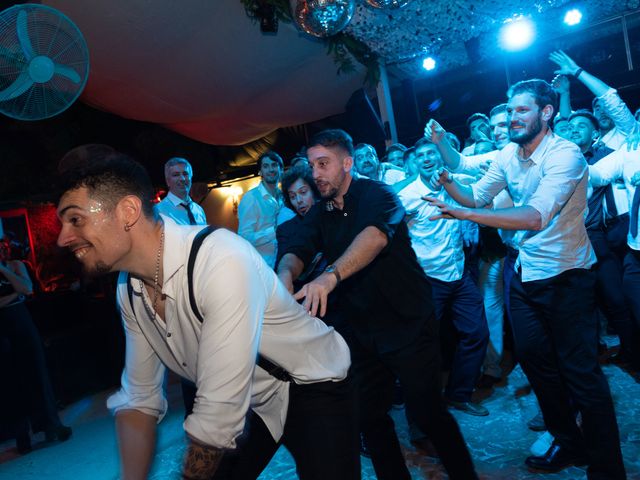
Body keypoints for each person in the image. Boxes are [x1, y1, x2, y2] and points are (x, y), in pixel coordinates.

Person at [56, 152, 359, 480]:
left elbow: (218, 416)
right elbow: (139, 399)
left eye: (76, 219)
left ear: (127, 211)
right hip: (250, 400)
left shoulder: (220, 257)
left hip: (311, 382)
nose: (63, 237)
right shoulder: (128, 289)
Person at [424, 79, 626, 478]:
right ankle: (569, 443)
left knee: (581, 374)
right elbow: (477, 196)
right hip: (524, 274)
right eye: (510, 110)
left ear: (546, 113)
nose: (513, 117)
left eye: (521, 110)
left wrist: (466, 215)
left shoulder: (566, 155)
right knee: (537, 366)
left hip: (567, 276)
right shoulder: (507, 155)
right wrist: (449, 186)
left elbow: (535, 215)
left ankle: (607, 468)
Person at [277, 129, 478, 480]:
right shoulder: (321, 210)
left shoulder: (379, 195)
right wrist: (284, 277)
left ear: (347, 163)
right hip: (360, 330)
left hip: (407, 323)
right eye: (312, 165)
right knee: (369, 417)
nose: (316, 173)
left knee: (429, 413)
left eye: (323, 164)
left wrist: (329, 276)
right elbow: (297, 247)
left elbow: (373, 238)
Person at [397, 138, 489, 416]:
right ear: (414, 162)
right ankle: (419, 404)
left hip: (459, 274)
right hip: (428, 280)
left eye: (431, 153)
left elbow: (481, 176)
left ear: (440, 157)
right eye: (421, 155)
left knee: (477, 333)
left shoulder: (455, 182)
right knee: (423, 345)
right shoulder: (407, 195)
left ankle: (459, 394)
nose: (426, 159)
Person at [0, 237, 72, 454]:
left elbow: (28, 287)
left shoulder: (15, 266)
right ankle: (22, 436)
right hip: (2, 330)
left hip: (22, 324)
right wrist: (15, 294)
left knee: (38, 373)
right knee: (11, 381)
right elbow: (19, 291)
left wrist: (3, 271)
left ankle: (52, 426)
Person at [238, 151, 293, 268]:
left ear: (281, 169)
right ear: (260, 172)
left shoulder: (285, 196)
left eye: (274, 165)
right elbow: (244, 238)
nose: (271, 170)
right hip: (262, 266)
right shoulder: (251, 198)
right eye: (266, 166)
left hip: (283, 262)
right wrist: (274, 231)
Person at [154, 157, 207, 226]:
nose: (182, 179)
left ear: (191, 177)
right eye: (176, 175)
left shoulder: (199, 210)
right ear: (168, 181)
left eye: (185, 174)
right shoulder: (158, 212)